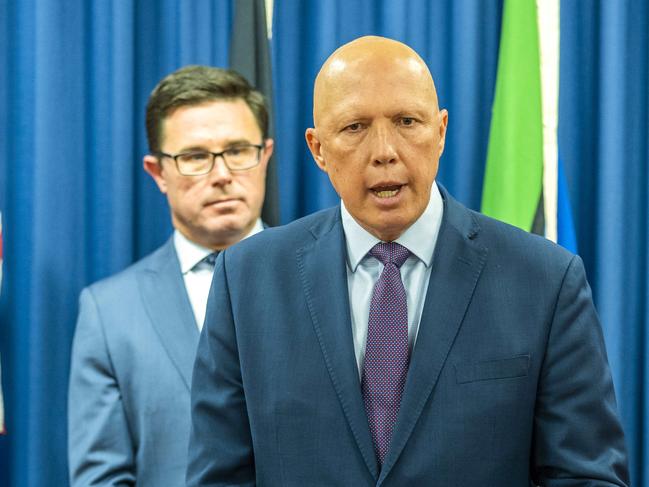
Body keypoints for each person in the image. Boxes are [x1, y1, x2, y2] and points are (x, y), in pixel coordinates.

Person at [187, 36, 629, 486]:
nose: (384, 150)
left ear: (440, 132)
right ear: (318, 149)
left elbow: (585, 475)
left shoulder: (546, 280)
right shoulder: (245, 280)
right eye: (355, 127)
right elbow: (219, 476)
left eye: (406, 121)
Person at [68, 65, 273, 487]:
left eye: (238, 150)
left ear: (265, 155)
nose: (221, 174)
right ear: (158, 172)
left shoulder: (328, 280)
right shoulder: (109, 313)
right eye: (195, 157)